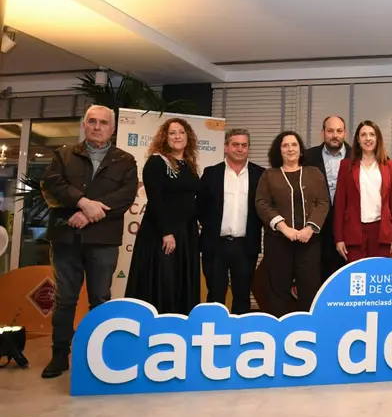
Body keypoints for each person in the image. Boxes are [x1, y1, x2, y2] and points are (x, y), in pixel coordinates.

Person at [40, 105, 138, 378]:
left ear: (113, 129)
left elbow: (125, 196)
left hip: (103, 239)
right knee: (65, 299)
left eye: (103, 122)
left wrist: (88, 215)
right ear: (84, 125)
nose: (97, 126)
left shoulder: (125, 160)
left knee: (101, 299)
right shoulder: (64, 154)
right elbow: (51, 184)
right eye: (92, 121)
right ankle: (59, 355)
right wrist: (83, 203)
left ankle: (100, 357)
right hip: (65, 238)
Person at [125, 118, 202, 315]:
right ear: (164, 138)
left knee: (180, 280)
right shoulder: (157, 162)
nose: (177, 136)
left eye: (181, 132)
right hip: (163, 233)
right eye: (172, 133)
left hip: (186, 233)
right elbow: (156, 200)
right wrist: (166, 232)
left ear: (188, 137)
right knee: (164, 280)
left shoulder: (189, 165)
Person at [255, 131, 329, 317]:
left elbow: (323, 202)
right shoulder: (269, 175)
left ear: (300, 149)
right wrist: (284, 228)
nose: (290, 149)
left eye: (294, 145)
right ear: (278, 151)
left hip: (309, 242)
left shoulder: (314, 173)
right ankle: (280, 332)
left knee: (309, 288)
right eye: (285, 145)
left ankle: (308, 331)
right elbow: (262, 203)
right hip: (278, 241)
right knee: (278, 289)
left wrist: (310, 228)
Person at [197, 129, 265, 315]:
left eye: (244, 145)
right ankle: (213, 335)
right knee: (215, 295)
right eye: (235, 144)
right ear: (226, 147)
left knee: (242, 296)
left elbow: (264, 209)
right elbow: (200, 207)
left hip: (245, 246)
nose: (240, 149)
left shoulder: (261, 174)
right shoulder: (211, 173)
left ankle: (239, 339)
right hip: (215, 244)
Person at [333, 120, 392, 262]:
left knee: (378, 277)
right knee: (358, 280)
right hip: (354, 231)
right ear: (358, 139)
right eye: (363, 135)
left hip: (381, 231)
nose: (368, 138)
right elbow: (339, 204)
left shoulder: (389, 165)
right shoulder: (346, 166)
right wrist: (339, 238)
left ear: (378, 138)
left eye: (372, 134)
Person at [304, 116, 351, 283]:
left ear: (345, 133)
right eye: (330, 131)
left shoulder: (357, 157)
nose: (335, 135)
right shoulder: (307, 157)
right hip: (316, 229)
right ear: (323, 133)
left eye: (339, 131)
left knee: (344, 280)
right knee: (316, 278)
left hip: (347, 229)